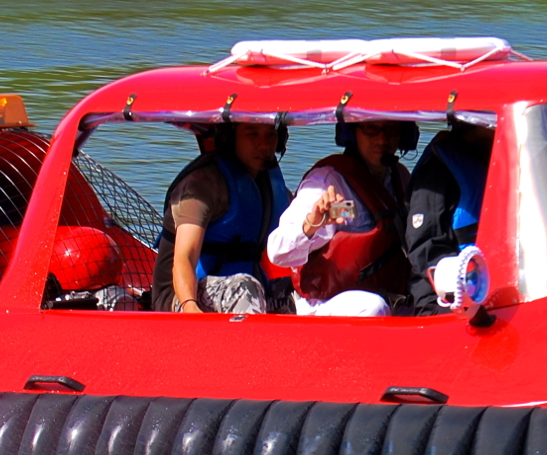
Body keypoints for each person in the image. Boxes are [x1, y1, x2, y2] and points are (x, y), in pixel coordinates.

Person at [267, 120, 415, 316]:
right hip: (324, 301)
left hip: (386, 292)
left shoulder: (401, 179)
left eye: (391, 129)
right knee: (373, 307)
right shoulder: (326, 182)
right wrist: (312, 222)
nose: (382, 139)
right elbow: (278, 252)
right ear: (353, 133)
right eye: (371, 128)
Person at [152, 121, 289, 315]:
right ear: (230, 138)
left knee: (294, 288)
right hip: (179, 296)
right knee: (244, 288)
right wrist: (190, 307)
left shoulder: (266, 184)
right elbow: (185, 257)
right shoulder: (201, 187)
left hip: (244, 286)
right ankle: (250, 344)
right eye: (252, 135)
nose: (264, 145)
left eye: (271, 135)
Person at [404, 119, 494, 314]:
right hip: (445, 303)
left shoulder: (492, 161)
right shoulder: (437, 174)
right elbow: (426, 255)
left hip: (495, 287)